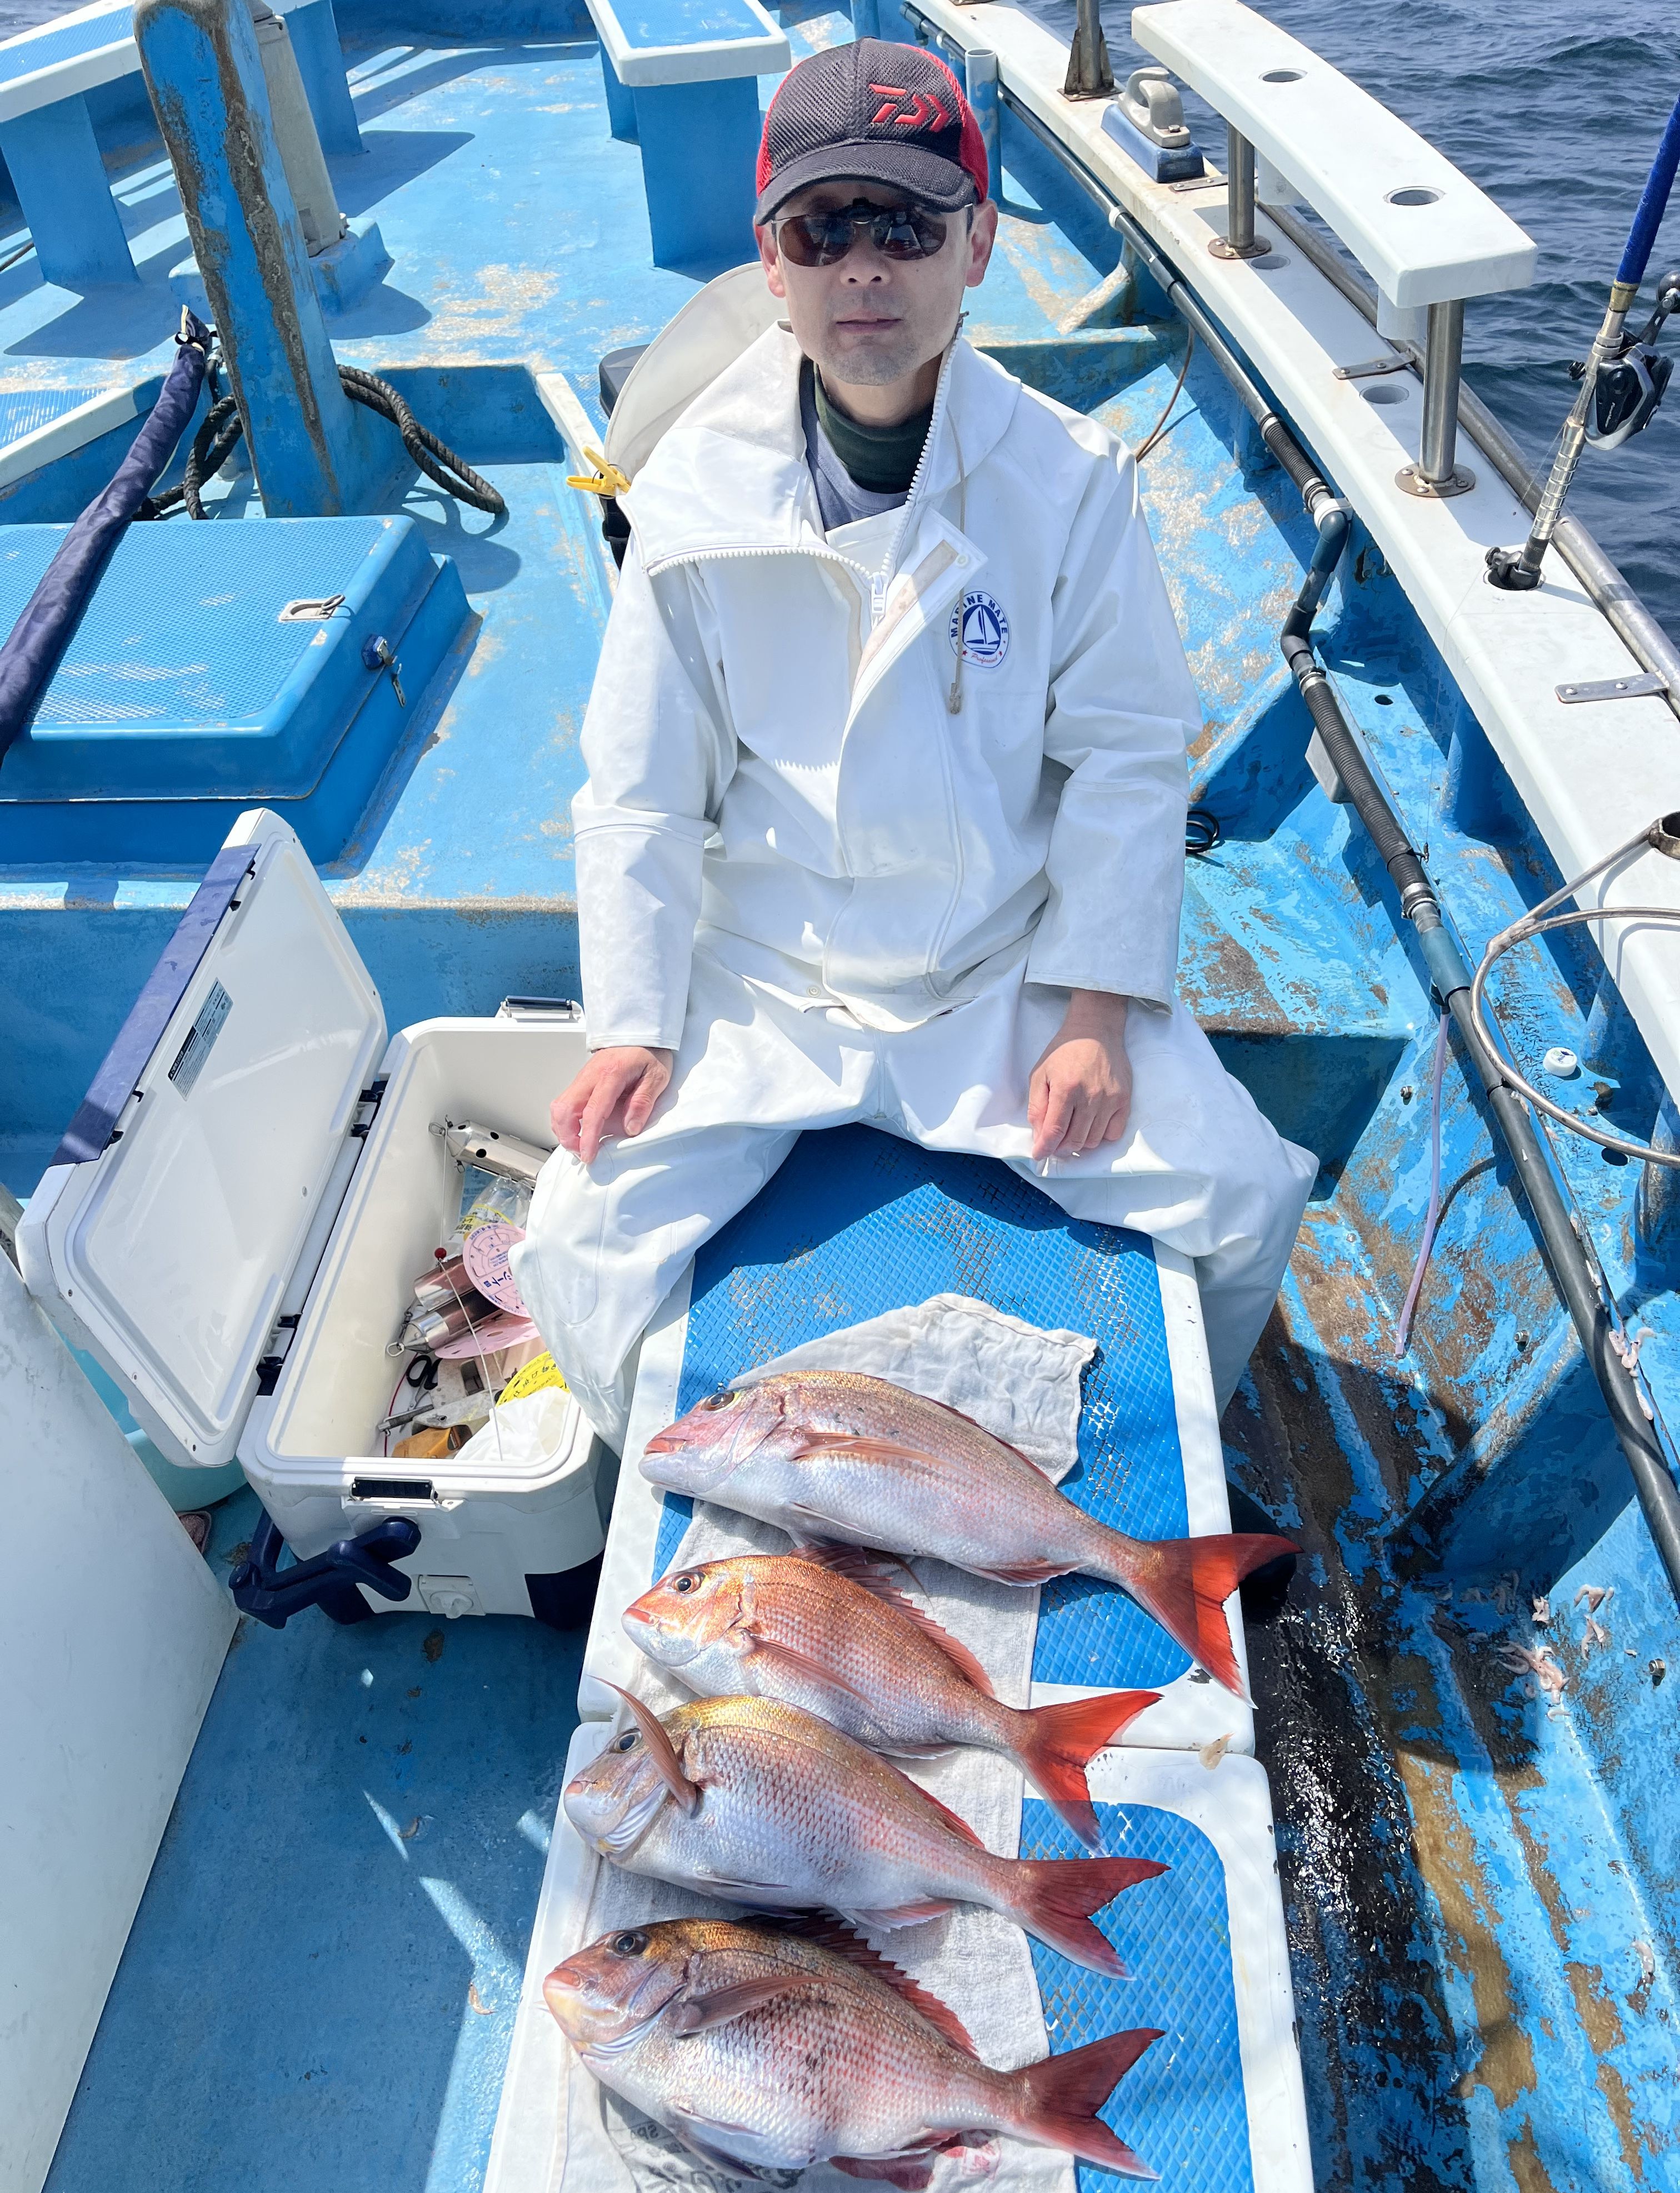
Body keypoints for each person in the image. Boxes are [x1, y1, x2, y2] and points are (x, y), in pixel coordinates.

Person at [511, 38, 1316, 1450]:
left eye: (906, 225)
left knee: (1249, 1199)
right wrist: (636, 1020)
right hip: (767, 987)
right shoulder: (690, 500)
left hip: (999, 977)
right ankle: (685, 1505)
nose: (863, 268)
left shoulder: (1072, 484)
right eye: (822, 230)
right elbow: (639, 794)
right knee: (571, 1254)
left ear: (978, 245)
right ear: (773, 264)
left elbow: (1127, 755)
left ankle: (1175, 1472)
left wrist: (1093, 1012)